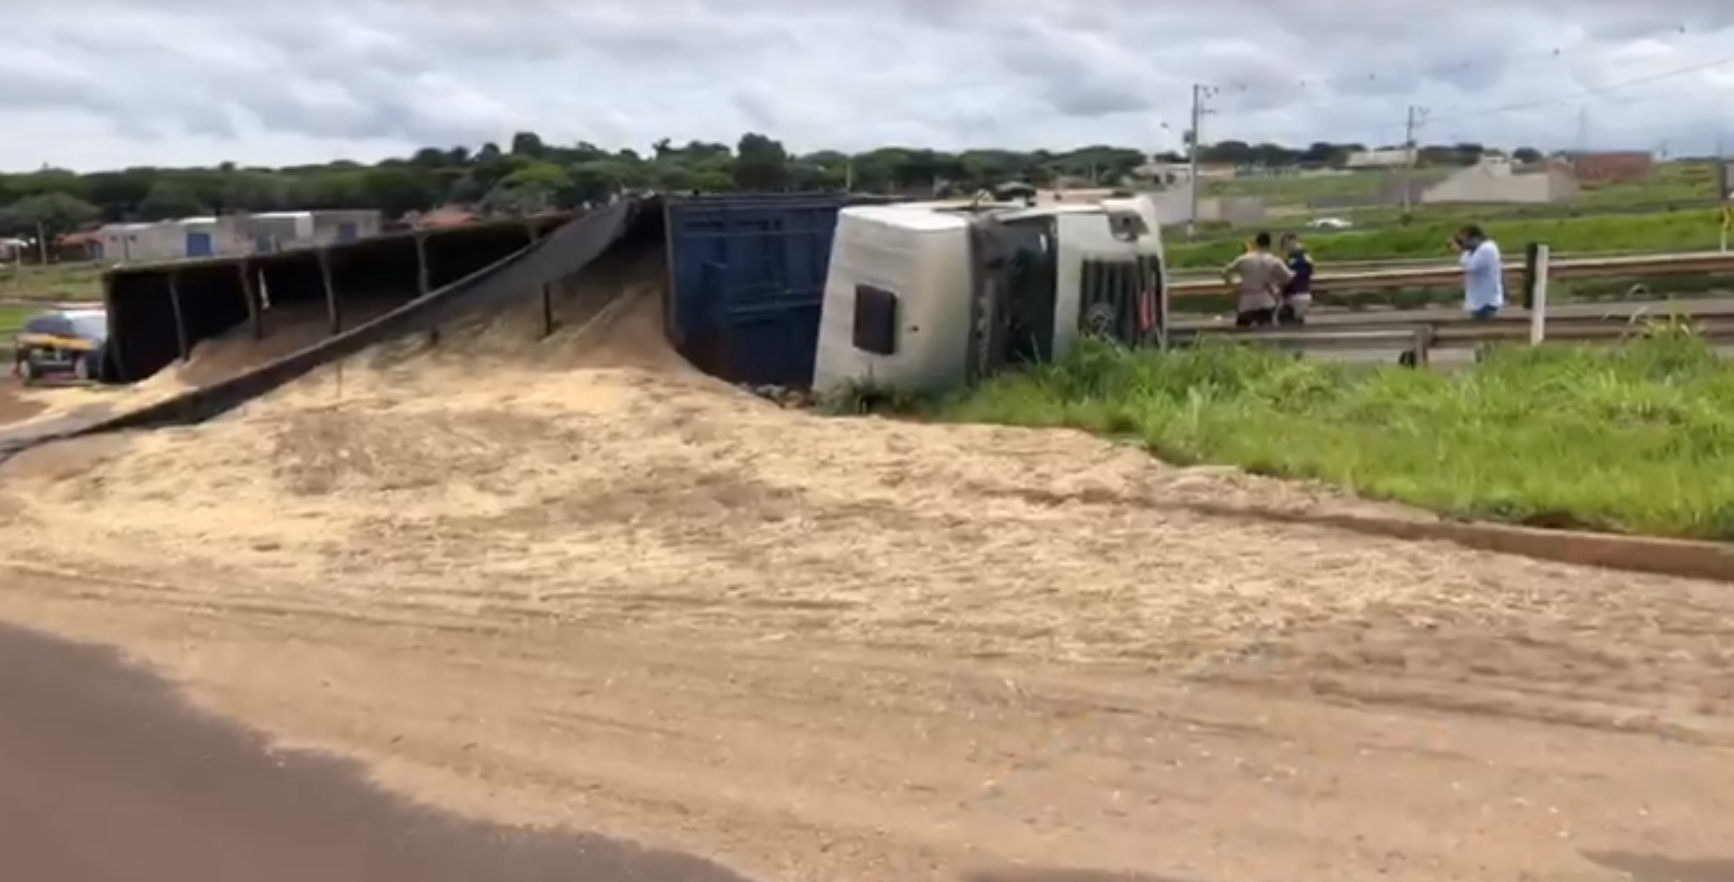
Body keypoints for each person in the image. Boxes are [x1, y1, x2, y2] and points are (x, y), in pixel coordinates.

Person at [1222, 231, 1294, 327]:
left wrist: (1233, 287)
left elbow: (1225, 272)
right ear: (1269, 244)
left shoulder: (1244, 259)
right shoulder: (1274, 260)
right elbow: (1288, 278)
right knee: (1266, 331)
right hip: (1266, 299)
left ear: (1256, 243)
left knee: (1243, 332)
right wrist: (1276, 286)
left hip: (1247, 300)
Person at [1454, 223, 1504, 320]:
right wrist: (1464, 252)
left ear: (1475, 238)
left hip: (1486, 301)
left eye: (1464, 240)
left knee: (1485, 332)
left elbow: (1471, 266)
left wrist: (1461, 251)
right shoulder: (1474, 251)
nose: (1463, 244)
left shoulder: (1487, 248)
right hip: (1478, 301)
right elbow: (1464, 263)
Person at [1277, 232, 1314, 325]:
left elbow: (1289, 279)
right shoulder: (1305, 257)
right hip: (1303, 295)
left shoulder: (1296, 259)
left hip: (1295, 296)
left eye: (1286, 245)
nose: (1285, 248)